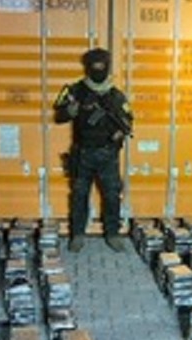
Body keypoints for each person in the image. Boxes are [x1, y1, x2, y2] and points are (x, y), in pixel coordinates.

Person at [53, 48, 134, 253]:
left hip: (108, 154)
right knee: (79, 195)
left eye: (102, 66)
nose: (98, 70)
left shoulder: (115, 95)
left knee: (112, 196)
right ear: (87, 67)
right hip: (83, 153)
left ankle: (112, 234)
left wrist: (119, 134)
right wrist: (72, 110)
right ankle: (78, 235)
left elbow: (128, 121)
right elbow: (60, 115)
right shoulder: (76, 90)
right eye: (94, 66)